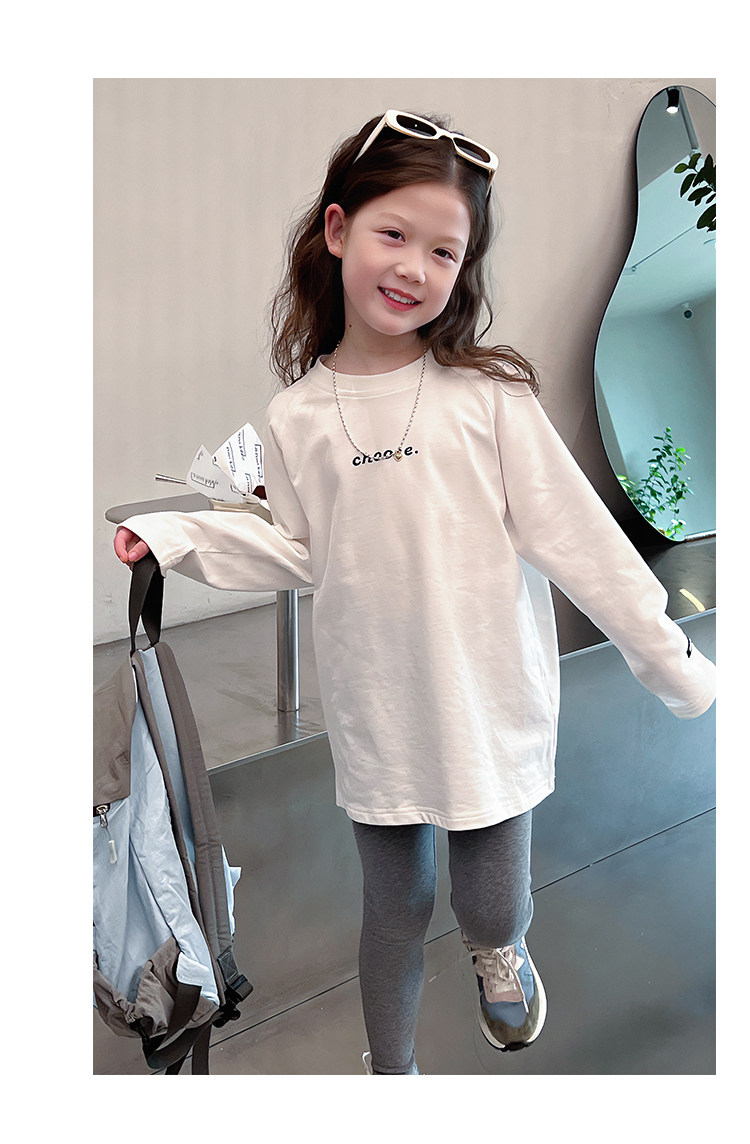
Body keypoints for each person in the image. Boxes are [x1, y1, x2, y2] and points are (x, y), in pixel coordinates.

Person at [114, 109, 716, 1075]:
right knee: (394, 906)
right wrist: (179, 535)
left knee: (488, 900)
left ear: (463, 269)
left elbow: (583, 541)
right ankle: (390, 1076)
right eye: (394, 234)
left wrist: (670, 659)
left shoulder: (491, 397)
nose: (414, 268)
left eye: (444, 251)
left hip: (487, 699)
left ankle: (501, 950)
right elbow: (299, 548)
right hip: (379, 706)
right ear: (338, 229)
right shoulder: (297, 414)